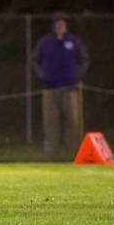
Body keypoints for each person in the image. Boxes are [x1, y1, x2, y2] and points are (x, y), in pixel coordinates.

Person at [30, 12, 90, 156]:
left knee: (73, 120)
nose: (60, 26)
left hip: (70, 88)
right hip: (50, 89)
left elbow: (85, 60)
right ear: (53, 25)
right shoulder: (45, 42)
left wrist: (77, 75)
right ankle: (51, 151)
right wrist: (42, 76)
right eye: (57, 24)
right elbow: (34, 60)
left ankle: (74, 150)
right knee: (50, 121)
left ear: (66, 26)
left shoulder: (74, 42)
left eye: (62, 24)